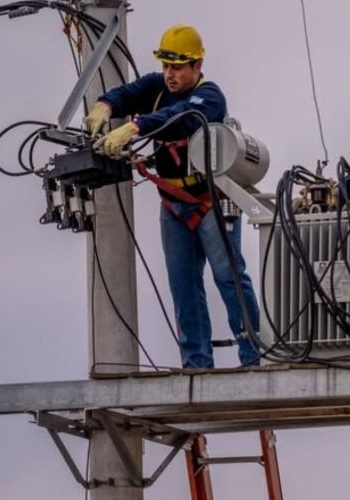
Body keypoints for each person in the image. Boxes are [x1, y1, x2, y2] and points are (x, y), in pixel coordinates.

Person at [86, 25, 260, 369]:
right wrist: (105, 106)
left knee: (228, 276)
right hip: (173, 201)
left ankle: (253, 355)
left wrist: (135, 127)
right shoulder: (156, 87)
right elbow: (126, 93)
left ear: (196, 66)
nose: (170, 74)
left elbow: (181, 119)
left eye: (177, 68)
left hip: (209, 198)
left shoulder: (210, 97)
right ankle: (197, 363)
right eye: (166, 66)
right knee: (183, 284)